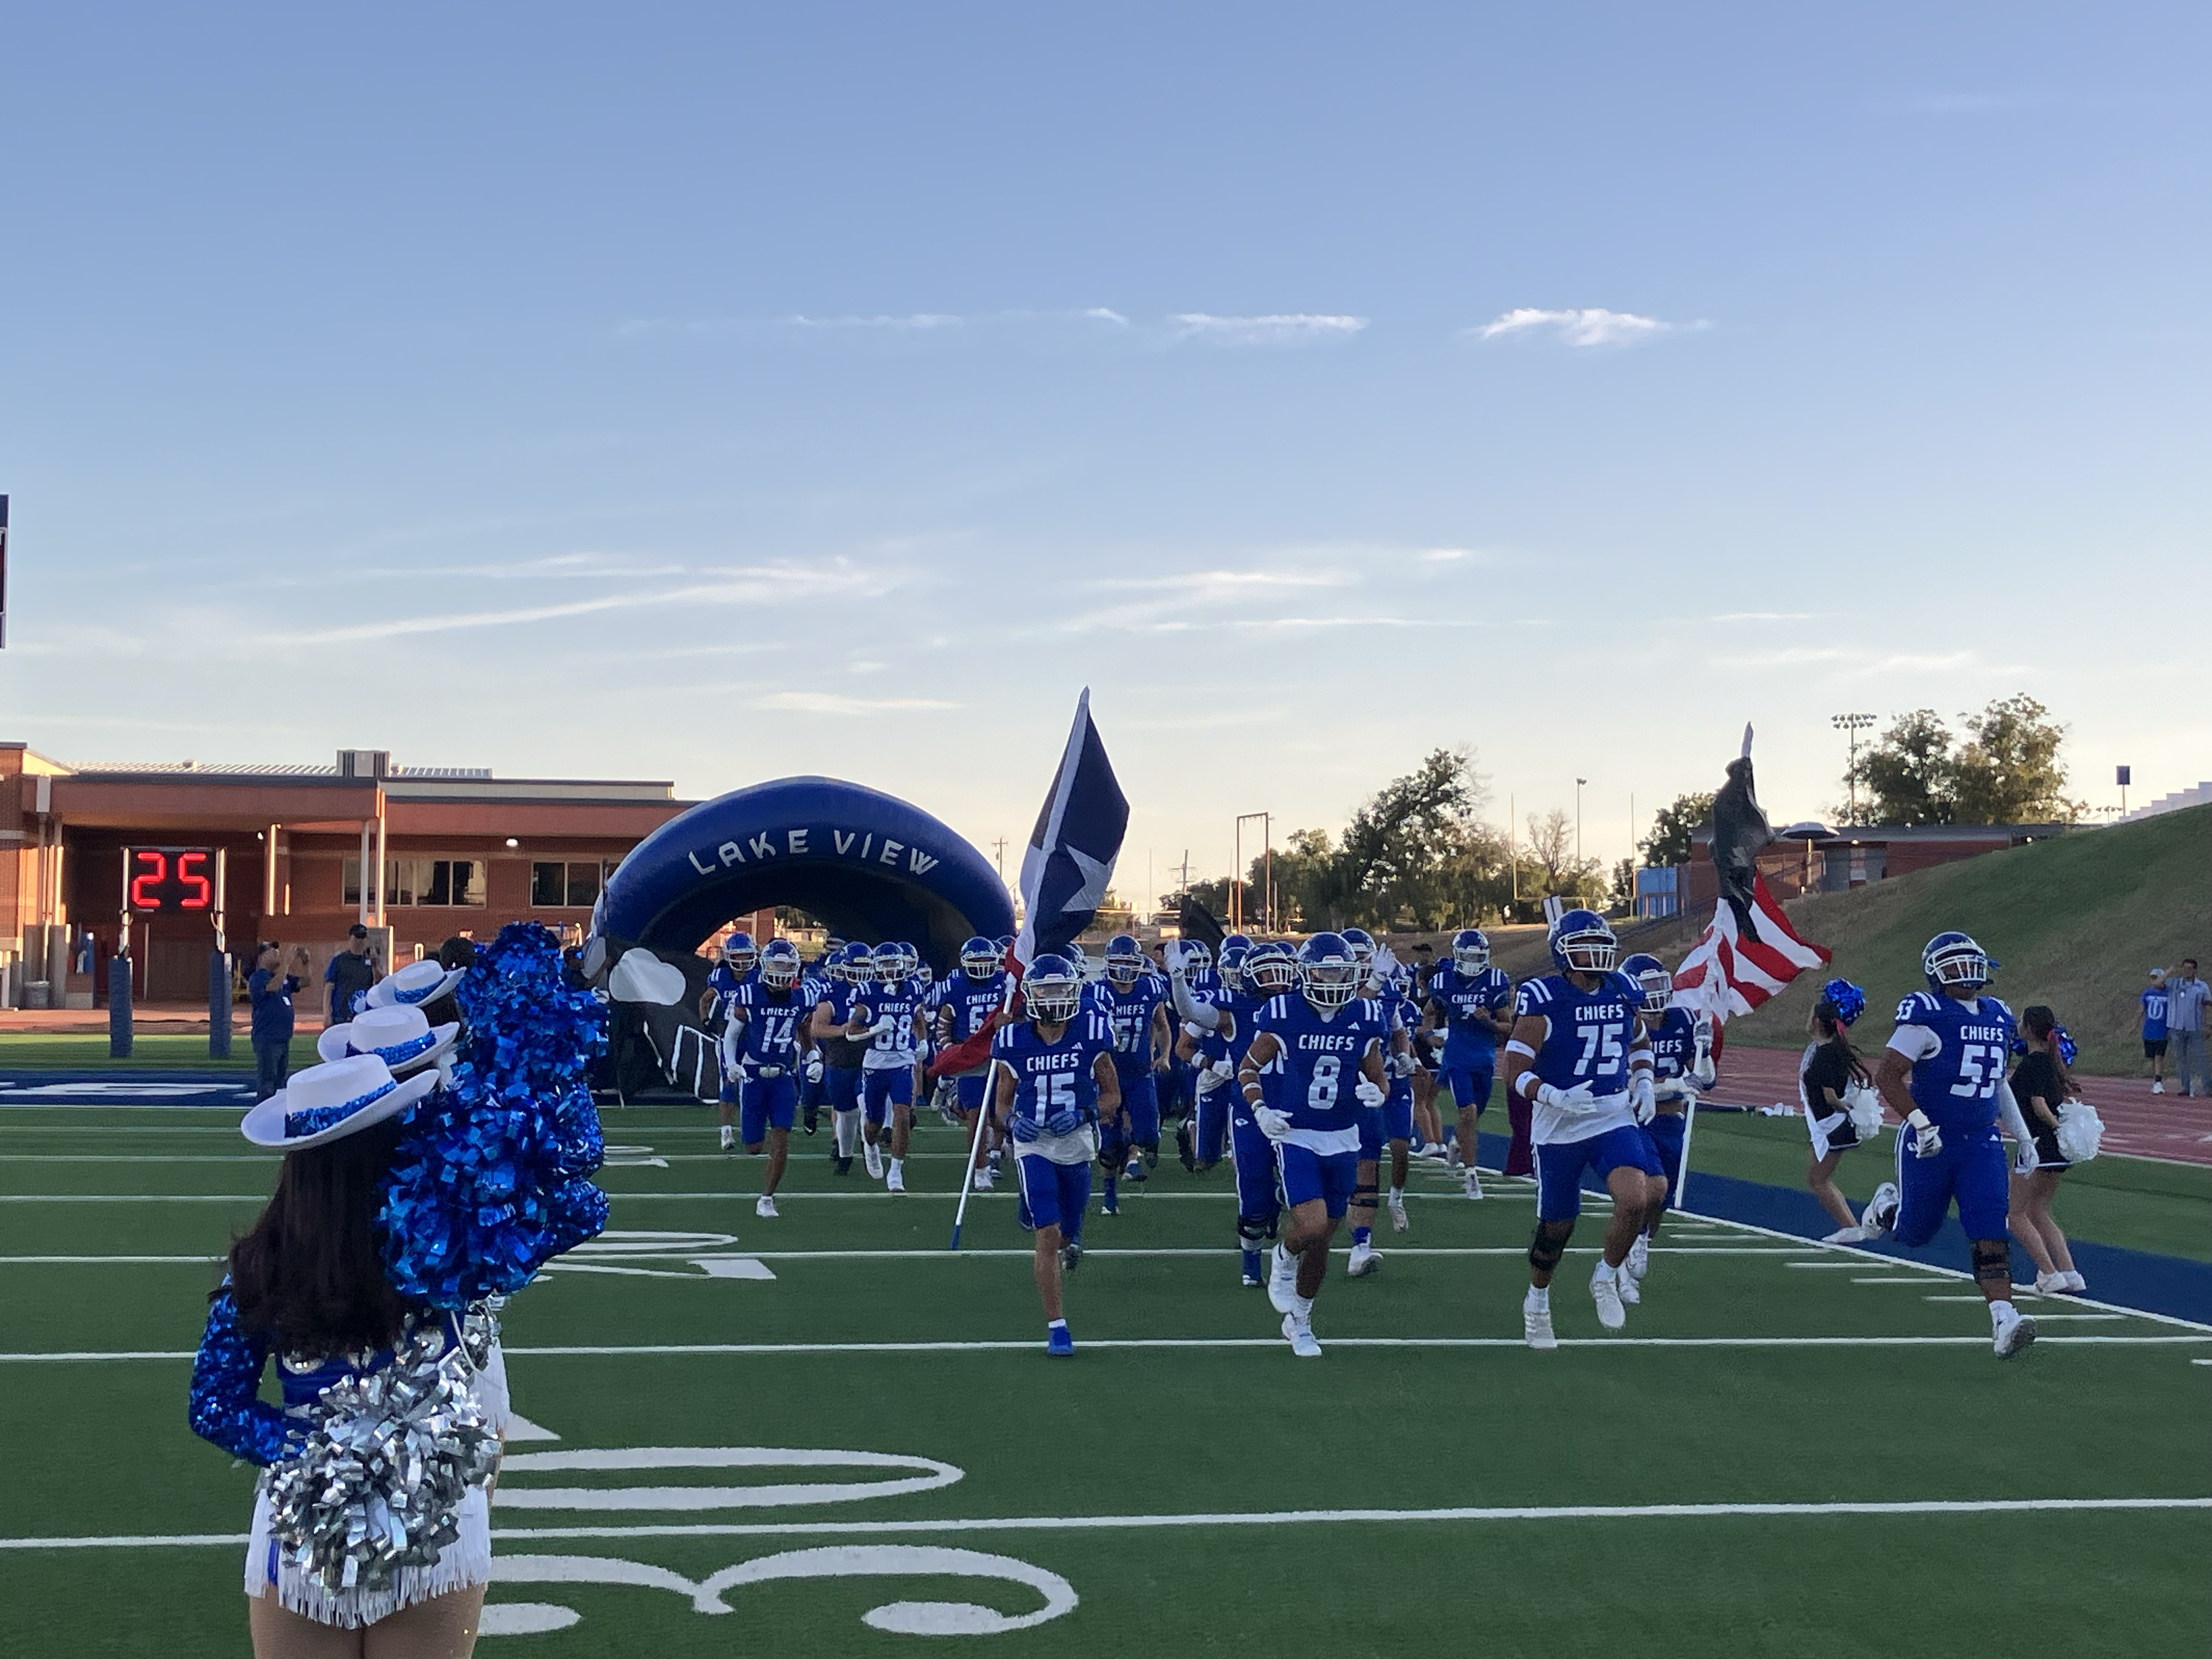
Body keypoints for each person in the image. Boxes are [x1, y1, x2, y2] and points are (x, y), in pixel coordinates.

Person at [189, 1052, 494, 1652]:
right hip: (430, 1510)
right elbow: (579, 1208)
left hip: (309, 1516)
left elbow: (214, 1406)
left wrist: (315, 1454)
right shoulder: (448, 1247)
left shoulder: (263, 1264)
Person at [1859, 930, 2040, 1359]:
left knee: (1991, 1227)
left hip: (1980, 1141)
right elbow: (1888, 1076)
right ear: (1936, 972)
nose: (1966, 971)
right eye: (1955, 963)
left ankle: (2004, 1318)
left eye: (1969, 961)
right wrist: (1921, 1124)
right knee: (1915, 1233)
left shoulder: (1997, 1015)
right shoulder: (1926, 1014)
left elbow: (1996, 1084)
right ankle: (1886, 1208)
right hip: (1931, 1141)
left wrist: (2025, 1135)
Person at [1502, 909, 1667, 1350]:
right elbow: (1513, 1069)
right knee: (1558, 1226)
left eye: (1600, 945)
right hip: (1559, 1124)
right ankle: (1537, 1300)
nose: (1595, 955)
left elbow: (1638, 1041)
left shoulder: (1620, 991)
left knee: (1638, 1197)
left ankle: (1606, 1275)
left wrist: (1645, 1079)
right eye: (1584, 947)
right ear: (1563, 954)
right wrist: (1553, 1095)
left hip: (1611, 1113)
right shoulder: (1544, 999)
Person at [1238, 932, 1390, 1357]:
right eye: (1324, 969)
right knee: (1311, 1224)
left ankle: (1301, 1321)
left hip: (1343, 1136)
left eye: (1340, 970)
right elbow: (1248, 1068)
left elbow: (1378, 1076)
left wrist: (1378, 1093)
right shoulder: (1284, 1012)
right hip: (1298, 1134)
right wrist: (1261, 1111)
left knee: (1323, 1237)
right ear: (1307, 973)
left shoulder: (1364, 1016)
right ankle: (1283, 1258)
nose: (1333, 978)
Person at [992, 954, 1120, 1355]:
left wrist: (1085, 1113)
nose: (1052, 999)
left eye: (1059, 990)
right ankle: (1057, 1327)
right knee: (1047, 1233)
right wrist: (1012, 1124)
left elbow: (1113, 1097)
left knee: (1067, 1228)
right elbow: (1001, 1106)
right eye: (1044, 990)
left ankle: (1054, 1220)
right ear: (1030, 995)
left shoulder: (1093, 1031)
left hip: (1077, 1140)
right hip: (1034, 1144)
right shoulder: (1013, 1040)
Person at [1618, 952, 1712, 1295]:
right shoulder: (1625, 1026)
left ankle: (1640, 1241)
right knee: (1651, 1190)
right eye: (1649, 987)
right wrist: (1673, 1084)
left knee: (1661, 1199)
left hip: (1673, 1121)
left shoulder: (1683, 1018)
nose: (1656, 995)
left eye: (1660, 985)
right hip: (1638, 1119)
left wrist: (1705, 1054)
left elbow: (1704, 1079)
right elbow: (1627, 1084)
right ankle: (1633, 1247)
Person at [720, 939, 812, 1217]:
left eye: (787, 966)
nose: (782, 972)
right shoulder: (749, 995)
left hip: (783, 1076)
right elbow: (731, 1035)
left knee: (781, 1135)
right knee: (753, 1147)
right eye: (777, 965)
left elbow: (805, 1035)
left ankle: (767, 1198)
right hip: (754, 1074)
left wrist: (814, 1057)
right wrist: (732, 1064)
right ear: (765, 966)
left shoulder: (803, 999)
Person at [1425, 927, 1515, 1199]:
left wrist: (1487, 1021)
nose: (1474, 963)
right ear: (1457, 956)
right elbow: (1429, 1012)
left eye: (1478, 958)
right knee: (1468, 1113)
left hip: (1485, 1058)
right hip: (1457, 1056)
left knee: (1473, 1118)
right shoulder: (1444, 982)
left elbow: (1508, 1027)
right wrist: (1430, 1035)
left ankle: (1456, 1141)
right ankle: (1471, 1176)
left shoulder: (1495, 981)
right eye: (1468, 957)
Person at [1795, 979, 1881, 1244]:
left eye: (1813, 1016)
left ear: (1819, 1023)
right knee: (1820, 1179)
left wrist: (1843, 1107)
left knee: (1818, 1181)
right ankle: (1851, 1226)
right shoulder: (1827, 1048)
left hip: (1833, 1126)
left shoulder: (1827, 1054)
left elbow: (1830, 1095)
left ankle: (1862, 1223)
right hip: (1827, 1125)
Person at [2009, 1005, 2087, 1295]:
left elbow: (2039, 1105)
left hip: (2037, 1146)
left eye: (2021, 1021)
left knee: (2015, 1215)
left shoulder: (2032, 1064)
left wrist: (2056, 1128)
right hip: (2055, 1150)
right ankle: (2070, 1272)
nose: (2018, 1024)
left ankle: (2049, 1273)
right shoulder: (2053, 1063)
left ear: (2028, 1028)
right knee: (2038, 1211)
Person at [1096, 934, 1172, 1214]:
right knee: (1108, 1145)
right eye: (1119, 963)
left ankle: (1135, 1148)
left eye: (1129, 963)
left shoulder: (1150, 988)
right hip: (1108, 1076)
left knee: (1149, 1134)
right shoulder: (1098, 992)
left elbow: (1163, 1025)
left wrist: (1163, 1056)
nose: (1125, 969)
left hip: (1140, 1073)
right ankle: (1109, 1197)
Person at [846, 942, 928, 1192]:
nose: (892, 970)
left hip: (903, 1061)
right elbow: (851, 1033)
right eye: (886, 965)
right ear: (876, 968)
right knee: (874, 1122)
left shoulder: (913, 988)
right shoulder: (867, 993)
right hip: (875, 1063)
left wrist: (923, 1042)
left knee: (902, 1114)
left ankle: (896, 1171)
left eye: (895, 964)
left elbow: (918, 1020)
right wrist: (874, 1029)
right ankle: (869, 1145)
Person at [940, 936, 1014, 1192]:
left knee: (999, 1114)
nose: (982, 966)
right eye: (977, 961)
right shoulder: (957, 986)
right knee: (975, 1116)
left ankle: (997, 1151)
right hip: (972, 1060)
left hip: (999, 1057)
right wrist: (949, 1047)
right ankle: (980, 1169)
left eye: (986, 960)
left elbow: (1019, 1016)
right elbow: (944, 1020)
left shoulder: (1005, 984)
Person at [249, 943, 309, 1102]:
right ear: (262, 957)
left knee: (278, 1081)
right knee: (267, 1083)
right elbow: (273, 987)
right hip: (267, 1037)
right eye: (272, 951)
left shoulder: (283, 978)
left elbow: (306, 981)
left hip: (283, 1037)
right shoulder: (258, 977)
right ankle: (261, 1116)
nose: (277, 953)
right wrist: (287, 964)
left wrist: (306, 962)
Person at [2167, 960, 2210, 1097]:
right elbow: (2157, 983)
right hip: (2176, 1027)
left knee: (2201, 1058)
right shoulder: (2174, 984)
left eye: (2190, 969)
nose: (2187, 971)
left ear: (2195, 970)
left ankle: (2208, 1086)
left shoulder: (2202, 986)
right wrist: (2169, 971)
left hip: (2195, 1027)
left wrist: (2208, 1025)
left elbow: (2208, 1006)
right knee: (2181, 1059)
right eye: (2184, 968)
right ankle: (2185, 1086)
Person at [323, 924, 381, 1026]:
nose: (359, 941)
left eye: (362, 938)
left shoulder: (370, 961)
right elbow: (329, 988)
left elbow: (378, 981)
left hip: (363, 1014)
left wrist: (375, 964)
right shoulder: (339, 961)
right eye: (357, 937)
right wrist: (327, 1014)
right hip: (341, 1014)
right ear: (351, 938)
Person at [2141, 968, 2170, 1094]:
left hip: (2162, 1030)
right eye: (2152, 978)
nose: (2154, 981)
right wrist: (2134, 1025)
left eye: (2156, 978)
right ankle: (2156, 1079)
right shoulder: (2147, 993)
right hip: (2149, 1030)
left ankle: (2159, 1081)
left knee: (2159, 1056)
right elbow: (2141, 1009)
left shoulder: (2169, 994)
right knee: (2152, 1058)